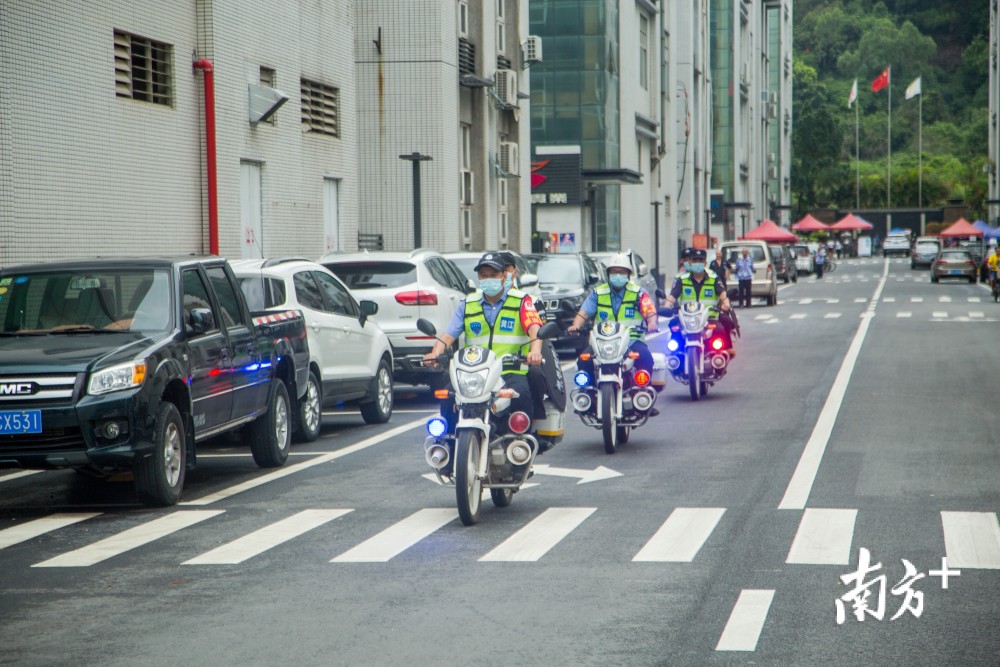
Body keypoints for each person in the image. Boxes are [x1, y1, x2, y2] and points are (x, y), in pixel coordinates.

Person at [423, 252, 543, 433]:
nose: (488, 279)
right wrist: (435, 352)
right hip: (473, 373)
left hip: (509, 370)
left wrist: (535, 351)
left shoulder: (522, 301)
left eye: (493, 275)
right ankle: (447, 443)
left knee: (521, 396)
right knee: (448, 395)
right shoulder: (467, 304)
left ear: (504, 276)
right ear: (478, 277)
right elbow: (448, 336)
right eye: (484, 275)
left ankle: (520, 445)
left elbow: (535, 329)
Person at [566, 253, 659, 411]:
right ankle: (589, 397)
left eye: (621, 272)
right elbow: (584, 312)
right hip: (603, 342)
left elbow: (650, 312)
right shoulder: (598, 293)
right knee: (583, 361)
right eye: (614, 272)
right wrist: (575, 325)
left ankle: (643, 396)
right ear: (608, 274)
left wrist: (652, 323)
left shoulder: (639, 292)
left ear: (628, 275)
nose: (618, 276)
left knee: (646, 359)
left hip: (631, 340)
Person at [499, 251, 549, 423]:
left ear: (515, 272)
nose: (503, 274)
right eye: (499, 270)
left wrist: (535, 352)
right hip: (486, 366)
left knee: (535, 376)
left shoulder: (530, 301)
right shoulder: (475, 301)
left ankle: (534, 422)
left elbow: (540, 330)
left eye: (506, 269)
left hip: (522, 362)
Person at [661, 248, 735, 351]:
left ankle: (723, 354)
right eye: (695, 261)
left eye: (700, 261)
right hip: (686, 319)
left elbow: (723, 294)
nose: (697, 263)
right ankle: (676, 356)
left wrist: (725, 304)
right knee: (673, 326)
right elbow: (672, 297)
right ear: (690, 262)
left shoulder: (713, 278)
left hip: (710, 318)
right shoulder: (682, 280)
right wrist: (666, 307)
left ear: (705, 262)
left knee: (721, 328)